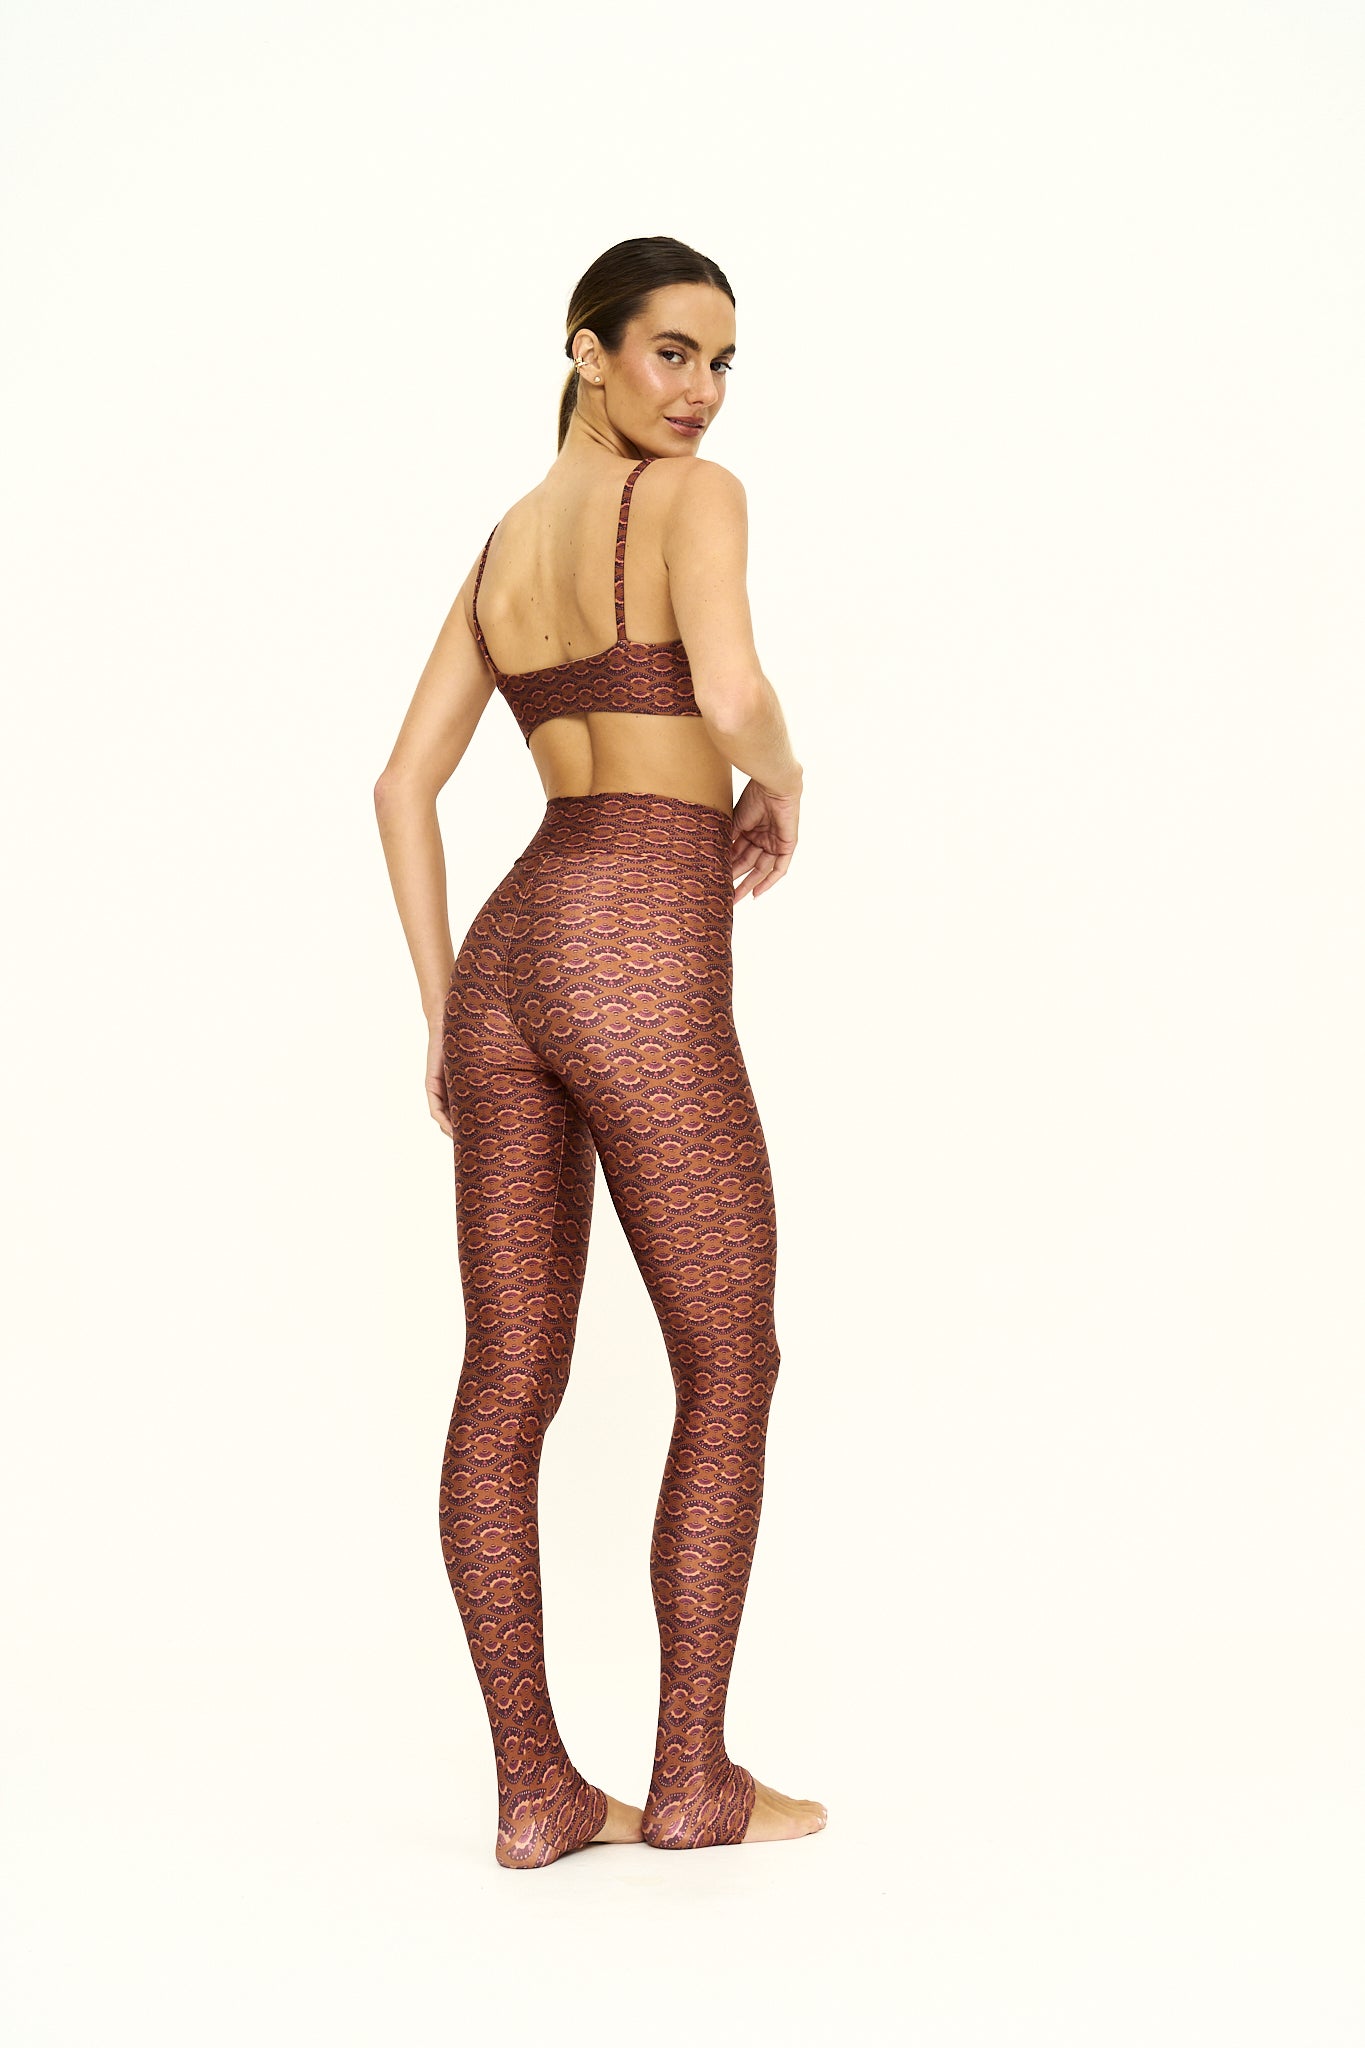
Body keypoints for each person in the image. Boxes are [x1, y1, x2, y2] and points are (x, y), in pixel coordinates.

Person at [374, 235, 825, 1868]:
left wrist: (444, 1006)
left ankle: (536, 1791)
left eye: (723, 364)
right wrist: (785, 778)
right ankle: (689, 1776)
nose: (700, 393)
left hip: (507, 953)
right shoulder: (693, 502)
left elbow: (401, 785)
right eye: (670, 352)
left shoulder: (504, 543)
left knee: (506, 1382)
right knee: (730, 1359)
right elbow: (734, 689)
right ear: (587, 349)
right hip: (630, 936)